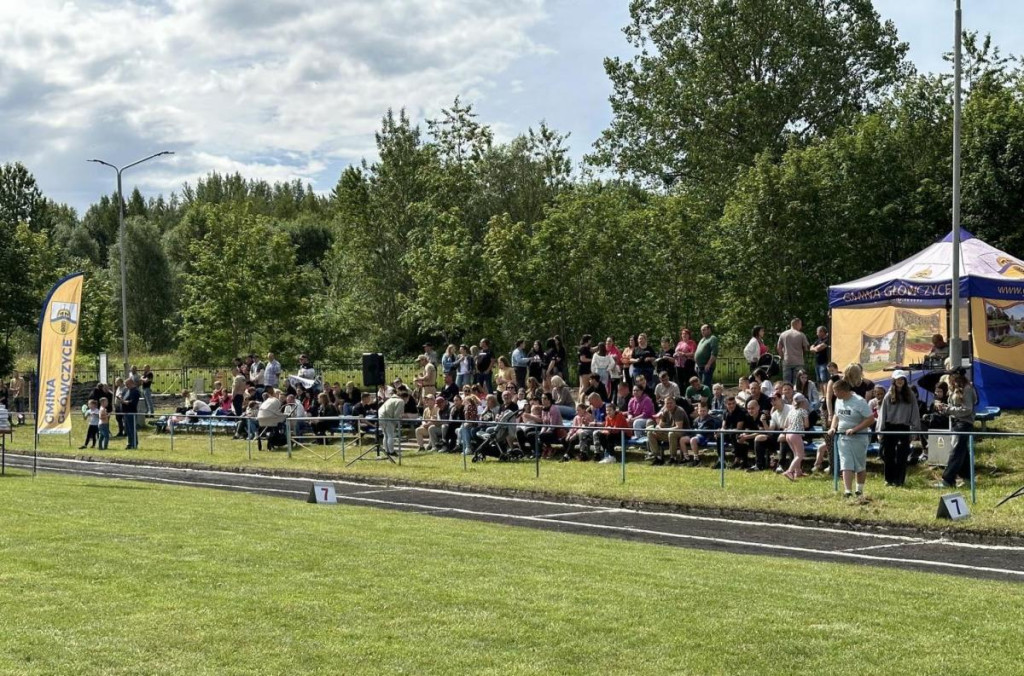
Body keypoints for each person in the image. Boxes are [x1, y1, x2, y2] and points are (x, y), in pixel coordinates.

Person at [830, 379, 876, 498]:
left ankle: (859, 490)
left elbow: (870, 419)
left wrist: (855, 429)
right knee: (846, 463)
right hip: (843, 437)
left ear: (844, 391)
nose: (834, 395)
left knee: (859, 465)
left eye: (836, 392)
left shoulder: (859, 401)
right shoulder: (839, 401)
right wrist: (832, 427)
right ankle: (847, 491)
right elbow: (836, 415)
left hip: (859, 438)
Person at [876, 370, 921, 487]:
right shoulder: (888, 395)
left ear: (905, 381)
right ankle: (888, 479)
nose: (900, 381)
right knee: (888, 454)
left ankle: (899, 480)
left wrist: (915, 429)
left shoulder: (910, 394)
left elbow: (915, 412)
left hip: (904, 427)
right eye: (898, 379)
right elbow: (882, 414)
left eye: (902, 379)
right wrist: (880, 431)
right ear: (894, 381)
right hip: (890, 427)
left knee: (902, 455)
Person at [934, 371, 977, 489]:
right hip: (955, 422)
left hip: (964, 423)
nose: (950, 378)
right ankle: (968, 479)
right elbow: (952, 407)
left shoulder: (967, 388)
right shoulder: (953, 389)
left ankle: (948, 480)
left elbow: (967, 409)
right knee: (962, 452)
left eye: (952, 375)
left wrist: (949, 409)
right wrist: (942, 408)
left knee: (956, 452)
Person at [646, 396, 690, 465]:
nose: (669, 405)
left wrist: (663, 429)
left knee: (671, 434)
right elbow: (661, 425)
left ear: (675, 403)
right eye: (667, 403)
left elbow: (679, 427)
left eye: (671, 403)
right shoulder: (666, 411)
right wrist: (657, 428)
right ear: (665, 404)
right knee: (650, 432)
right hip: (670, 431)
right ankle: (657, 457)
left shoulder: (679, 411)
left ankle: (673, 457)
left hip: (683, 433)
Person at [781, 393, 810, 481]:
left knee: (796, 454)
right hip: (796, 434)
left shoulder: (791, 411)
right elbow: (807, 424)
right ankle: (789, 471)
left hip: (788, 434)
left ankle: (798, 472)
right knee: (800, 455)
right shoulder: (803, 411)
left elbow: (785, 424)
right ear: (802, 402)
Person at [777, 318, 810, 385]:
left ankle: (786, 394)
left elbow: (779, 348)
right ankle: (796, 394)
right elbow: (806, 348)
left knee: (786, 382)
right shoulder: (801, 335)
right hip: (798, 361)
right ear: (797, 324)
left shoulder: (783, 334)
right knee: (797, 382)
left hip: (787, 361)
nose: (801, 326)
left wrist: (782, 357)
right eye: (800, 324)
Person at [377, 387, 409, 457]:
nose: (407, 400)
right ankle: (391, 452)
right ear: (405, 397)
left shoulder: (391, 399)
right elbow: (397, 414)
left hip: (380, 416)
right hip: (387, 418)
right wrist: (396, 422)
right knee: (390, 435)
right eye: (407, 398)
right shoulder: (401, 401)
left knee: (386, 435)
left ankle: (387, 450)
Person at [122, 377, 141, 449]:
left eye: (127, 384)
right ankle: (129, 443)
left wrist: (125, 402)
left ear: (131, 383)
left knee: (132, 429)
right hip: (126, 412)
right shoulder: (128, 390)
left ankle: (134, 443)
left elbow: (133, 402)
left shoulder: (135, 391)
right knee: (127, 429)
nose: (126, 386)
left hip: (131, 412)